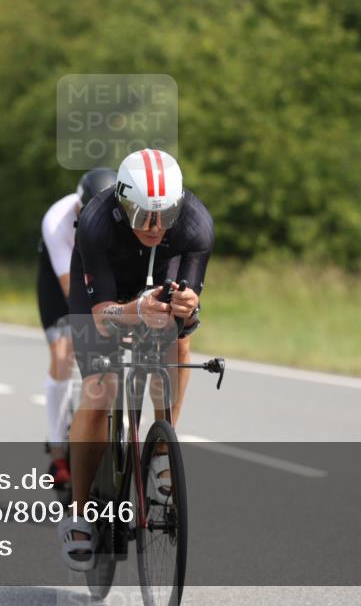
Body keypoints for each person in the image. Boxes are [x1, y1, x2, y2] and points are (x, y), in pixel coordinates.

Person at [58, 149, 214, 571]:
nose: (154, 226)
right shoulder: (95, 221)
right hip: (104, 289)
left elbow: (190, 304)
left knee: (178, 344)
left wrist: (185, 304)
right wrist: (135, 310)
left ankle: (162, 448)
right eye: (143, 214)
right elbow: (100, 314)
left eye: (164, 215)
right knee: (101, 387)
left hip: (162, 274)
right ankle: (77, 513)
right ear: (123, 203)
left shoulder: (197, 225)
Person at [37, 168, 117, 490]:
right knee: (64, 353)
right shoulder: (57, 220)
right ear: (77, 207)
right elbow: (73, 291)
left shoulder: (119, 218)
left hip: (102, 275)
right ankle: (58, 451)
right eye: (88, 212)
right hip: (62, 282)